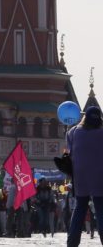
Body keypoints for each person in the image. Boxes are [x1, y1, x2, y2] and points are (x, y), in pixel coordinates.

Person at [67, 105, 103, 247]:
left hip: (80, 176)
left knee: (79, 209)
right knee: (100, 210)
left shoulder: (73, 132)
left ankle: (72, 243)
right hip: (100, 176)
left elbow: (69, 152)